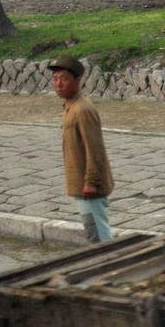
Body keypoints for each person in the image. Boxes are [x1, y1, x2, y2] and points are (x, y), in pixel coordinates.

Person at [49, 55, 114, 243]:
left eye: (64, 79)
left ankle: (109, 264)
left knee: (98, 234)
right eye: (55, 79)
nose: (58, 84)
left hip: (89, 187)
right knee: (93, 231)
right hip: (80, 182)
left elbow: (95, 149)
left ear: (78, 80)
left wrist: (91, 181)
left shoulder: (82, 110)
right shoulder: (71, 107)